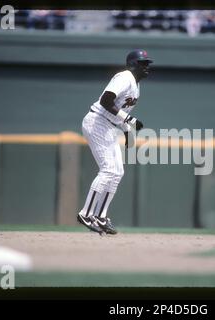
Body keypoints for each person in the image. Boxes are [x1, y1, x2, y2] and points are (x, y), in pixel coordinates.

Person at [77, 49, 153, 235]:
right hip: (97, 122)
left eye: (147, 64)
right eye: (143, 64)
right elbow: (105, 101)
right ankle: (86, 214)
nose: (147, 67)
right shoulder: (124, 77)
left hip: (109, 126)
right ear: (133, 64)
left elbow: (118, 111)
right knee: (109, 170)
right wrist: (130, 121)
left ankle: (100, 216)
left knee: (117, 172)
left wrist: (127, 130)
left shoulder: (136, 85)